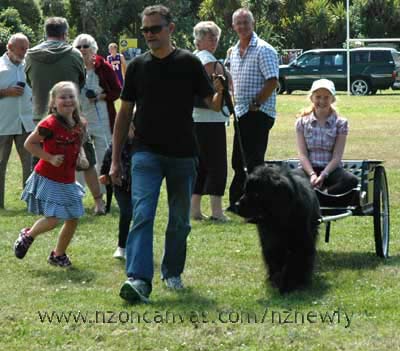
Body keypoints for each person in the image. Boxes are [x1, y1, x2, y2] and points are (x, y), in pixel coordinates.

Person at [110, 5, 224, 303]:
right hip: (144, 153)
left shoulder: (188, 62)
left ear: (170, 29)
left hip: (183, 154)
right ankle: (138, 279)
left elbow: (212, 103)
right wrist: (114, 160)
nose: (149, 35)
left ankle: (172, 272)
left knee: (179, 221)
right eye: (145, 30)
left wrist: (221, 88)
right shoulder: (137, 66)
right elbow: (124, 114)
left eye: (154, 29)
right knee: (142, 214)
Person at [14, 81, 86, 267]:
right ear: (53, 102)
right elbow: (29, 144)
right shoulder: (49, 124)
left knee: (73, 217)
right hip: (49, 178)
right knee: (53, 219)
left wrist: (82, 157)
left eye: (71, 96)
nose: (68, 100)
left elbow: (79, 143)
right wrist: (49, 157)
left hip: (68, 179)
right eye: (63, 97)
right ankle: (28, 235)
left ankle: (58, 255)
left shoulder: (79, 123)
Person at [227, 8, 279, 214]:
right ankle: (238, 203)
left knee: (254, 163)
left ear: (253, 23)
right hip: (241, 113)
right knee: (238, 162)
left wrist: (256, 103)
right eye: (238, 23)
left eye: (245, 22)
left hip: (258, 113)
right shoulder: (233, 51)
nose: (242, 26)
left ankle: (258, 205)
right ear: (233, 26)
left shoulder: (264, 49)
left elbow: (272, 80)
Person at [73, 34, 122, 215]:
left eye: (86, 46)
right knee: (79, 157)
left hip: (102, 114)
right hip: (79, 117)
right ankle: (76, 195)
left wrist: (101, 96)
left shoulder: (104, 67)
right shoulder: (73, 68)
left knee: (104, 155)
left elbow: (117, 91)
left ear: (93, 48)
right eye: (78, 47)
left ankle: (104, 196)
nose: (82, 50)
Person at [191, 21, 230, 222]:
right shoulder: (208, 60)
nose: (214, 41)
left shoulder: (193, 57)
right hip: (210, 119)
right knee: (217, 164)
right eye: (210, 37)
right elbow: (213, 90)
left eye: (216, 37)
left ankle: (195, 210)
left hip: (197, 119)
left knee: (201, 165)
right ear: (199, 40)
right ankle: (217, 211)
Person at [295, 79, 359, 194]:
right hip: (308, 169)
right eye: (318, 97)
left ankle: (323, 194)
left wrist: (323, 175)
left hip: (331, 171)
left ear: (332, 99)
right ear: (312, 98)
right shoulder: (302, 122)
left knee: (351, 180)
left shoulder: (341, 123)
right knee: (290, 179)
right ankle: (318, 195)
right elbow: (302, 154)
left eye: (326, 97)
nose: (322, 101)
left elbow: (337, 156)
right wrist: (312, 175)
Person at [25, 17, 85, 124]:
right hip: (69, 115)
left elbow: (29, 82)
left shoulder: (30, 56)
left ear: (46, 33)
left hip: (41, 116)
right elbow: (81, 82)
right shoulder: (75, 54)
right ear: (65, 33)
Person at [0, 33, 35, 209]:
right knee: (0, 164)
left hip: (25, 122)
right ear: (10, 47)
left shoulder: (29, 66)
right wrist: (6, 92)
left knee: (29, 165)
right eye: (21, 48)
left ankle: (29, 202)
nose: (24, 52)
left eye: (26, 48)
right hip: (3, 124)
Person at [99, 122, 135, 260]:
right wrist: (105, 176)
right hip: (121, 187)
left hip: (141, 187)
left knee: (140, 216)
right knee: (126, 213)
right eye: (132, 127)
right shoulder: (116, 146)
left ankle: (137, 245)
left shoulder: (144, 146)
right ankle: (122, 247)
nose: (135, 131)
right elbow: (105, 167)